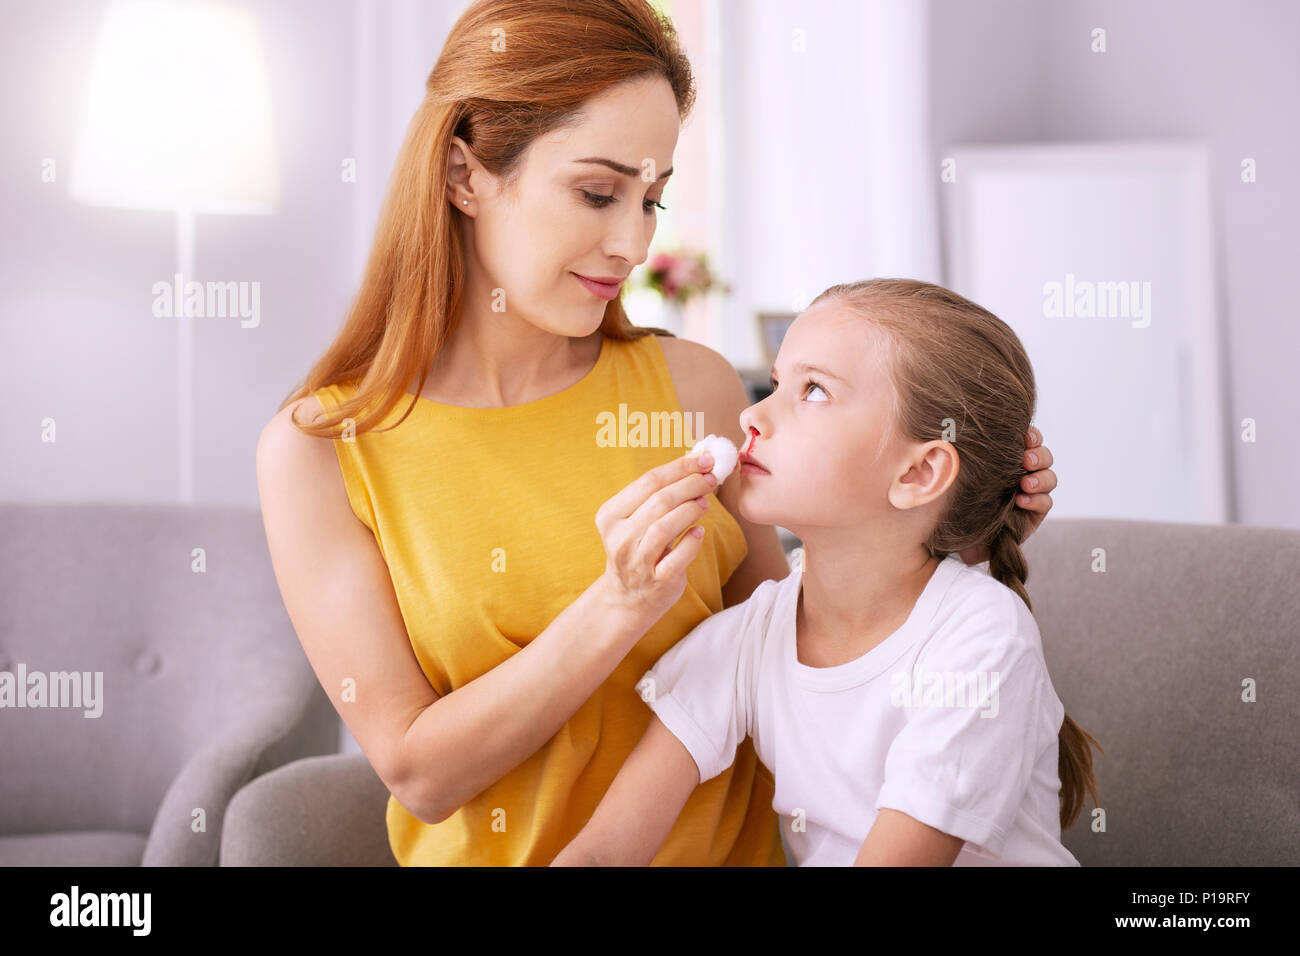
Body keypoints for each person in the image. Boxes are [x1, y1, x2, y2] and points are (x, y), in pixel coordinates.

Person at [255, 0, 1060, 865]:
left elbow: (801, 645)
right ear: (464, 176)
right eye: (598, 193)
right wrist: (618, 604)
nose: (632, 242)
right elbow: (419, 771)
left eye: (653, 201)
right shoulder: (321, 451)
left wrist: (953, 527)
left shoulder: (691, 385)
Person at [551, 279, 1099, 867]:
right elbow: (601, 854)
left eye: (813, 390)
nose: (752, 414)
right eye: (779, 380)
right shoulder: (751, 637)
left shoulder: (982, 638)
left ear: (918, 473)